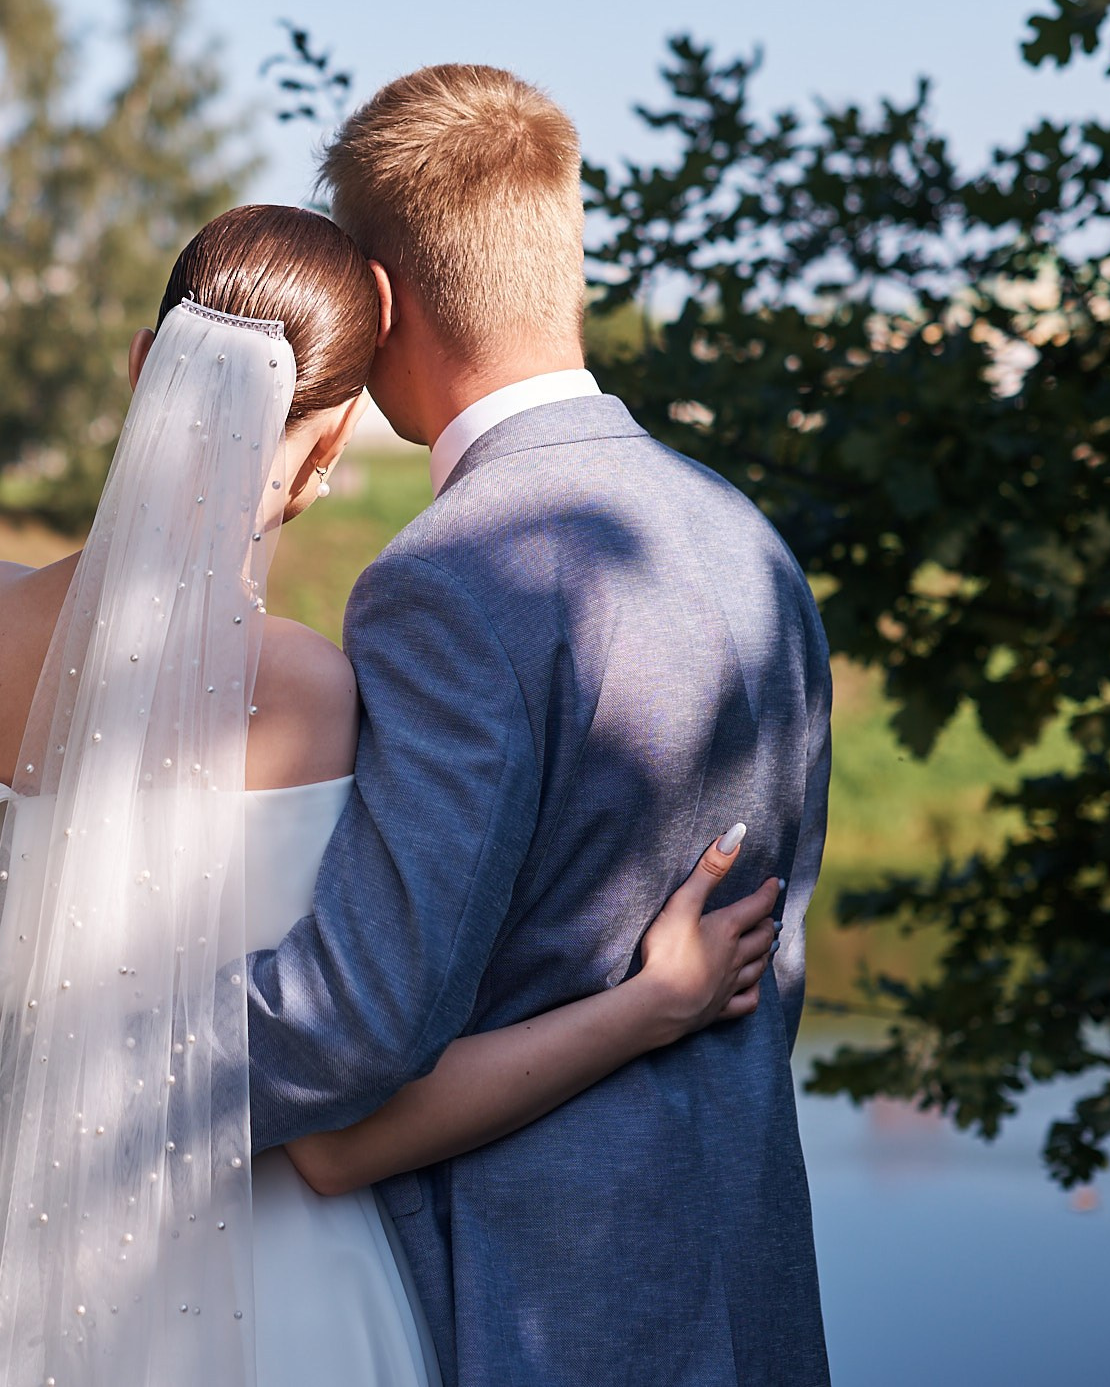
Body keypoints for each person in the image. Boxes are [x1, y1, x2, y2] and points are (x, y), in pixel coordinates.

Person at [0, 200, 794, 1387]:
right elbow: (334, 1122)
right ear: (320, 455)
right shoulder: (304, 688)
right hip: (263, 1293)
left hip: (19, 1261)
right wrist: (648, 1005)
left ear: (141, 367)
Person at [245, 67, 834, 1385]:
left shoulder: (451, 579)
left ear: (382, 301)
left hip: (543, 1309)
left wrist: (103, 1033)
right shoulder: (746, 538)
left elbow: (356, 1022)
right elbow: (766, 967)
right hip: (749, 1283)